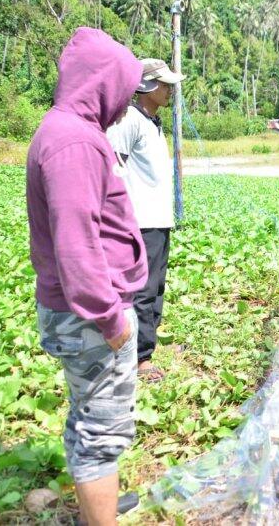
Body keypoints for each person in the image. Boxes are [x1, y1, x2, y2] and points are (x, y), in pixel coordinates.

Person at [26, 27, 147, 524]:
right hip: (92, 317)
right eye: (122, 89)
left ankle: (98, 499)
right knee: (102, 431)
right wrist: (111, 319)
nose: (124, 104)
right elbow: (77, 245)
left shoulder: (68, 131)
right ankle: (99, 515)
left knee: (89, 415)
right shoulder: (75, 142)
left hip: (81, 313)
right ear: (101, 83)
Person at [107, 58, 185, 383]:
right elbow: (114, 168)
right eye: (165, 84)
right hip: (141, 221)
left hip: (159, 220)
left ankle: (146, 348)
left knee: (156, 288)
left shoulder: (154, 122)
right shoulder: (129, 122)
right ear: (148, 86)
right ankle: (140, 359)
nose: (170, 90)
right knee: (142, 289)